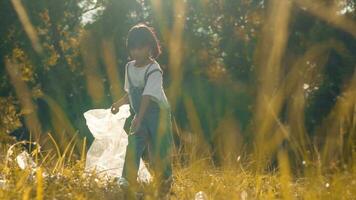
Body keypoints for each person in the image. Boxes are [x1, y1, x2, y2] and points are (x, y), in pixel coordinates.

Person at [111, 23, 174, 198]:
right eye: (133, 48)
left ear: (150, 48)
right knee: (134, 143)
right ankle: (127, 180)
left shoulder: (154, 69)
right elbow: (131, 93)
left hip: (157, 114)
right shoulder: (129, 68)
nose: (136, 52)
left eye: (140, 48)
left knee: (160, 147)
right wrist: (119, 103)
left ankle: (166, 180)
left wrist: (138, 117)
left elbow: (147, 95)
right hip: (140, 114)